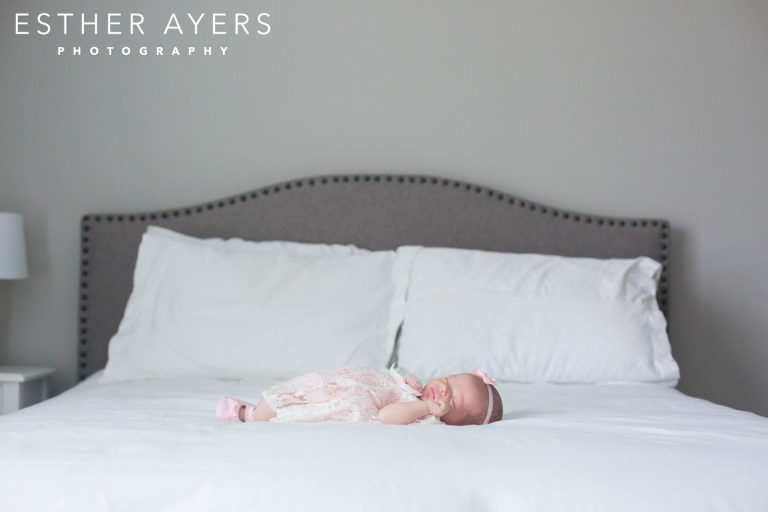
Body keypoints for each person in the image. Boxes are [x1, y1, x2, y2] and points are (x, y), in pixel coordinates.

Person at [216, 367, 503, 426]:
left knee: (299, 408)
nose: (443, 391)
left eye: (453, 400)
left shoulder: (422, 415)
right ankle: (261, 408)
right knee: (303, 387)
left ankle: (252, 416)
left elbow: (385, 416)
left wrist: (426, 407)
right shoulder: (414, 385)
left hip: (344, 402)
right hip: (339, 383)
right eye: (449, 381)